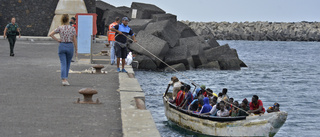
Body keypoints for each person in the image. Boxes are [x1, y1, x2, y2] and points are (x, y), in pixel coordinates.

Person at [49, 14, 77, 86]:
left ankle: (64, 79)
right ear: (68, 20)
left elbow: (51, 34)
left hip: (62, 45)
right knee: (68, 63)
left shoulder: (60, 28)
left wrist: (58, 40)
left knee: (63, 63)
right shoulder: (72, 28)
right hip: (70, 46)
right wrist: (76, 49)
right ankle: (65, 79)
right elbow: (74, 39)